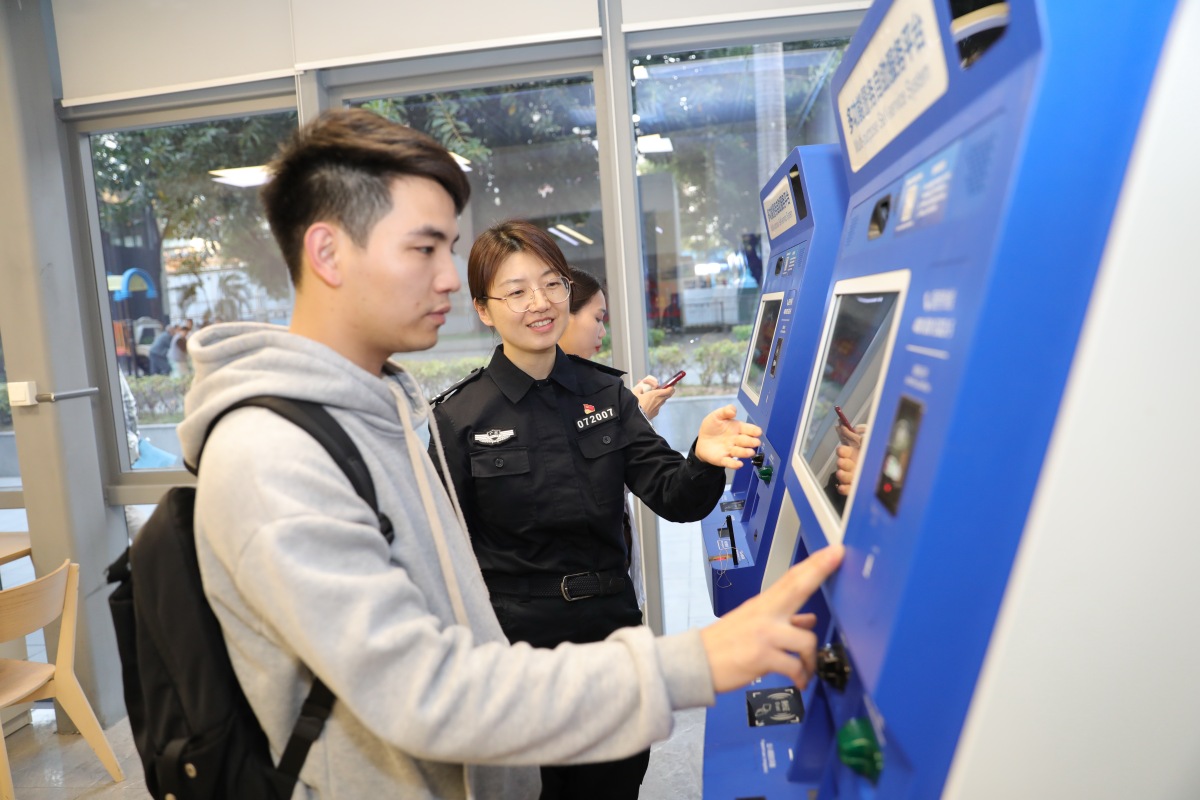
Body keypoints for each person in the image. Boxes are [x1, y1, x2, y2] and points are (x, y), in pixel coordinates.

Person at [176, 108, 843, 800]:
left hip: (554, 675)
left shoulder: (380, 416)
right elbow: (424, 690)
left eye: (449, 249)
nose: (446, 279)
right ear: (327, 252)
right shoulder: (278, 457)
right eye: (424, 249)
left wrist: (699, 459)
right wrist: (694, 661)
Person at [429, 220, 770, 800]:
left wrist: (703, 458)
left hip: (612, 639)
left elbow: (675, 496)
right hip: (516, 653)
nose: (540, 303)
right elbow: (440, 554)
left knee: (612, 788)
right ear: (484, 309)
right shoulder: (459, 418)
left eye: (552, 284)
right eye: (516, 291)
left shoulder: (606, 395)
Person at [560, 266, 674, 420]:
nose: (603, 332)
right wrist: (637, 414)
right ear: (564, 313)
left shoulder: (584, 381)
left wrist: (627, 403)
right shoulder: (546, 391)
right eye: (598, 319)